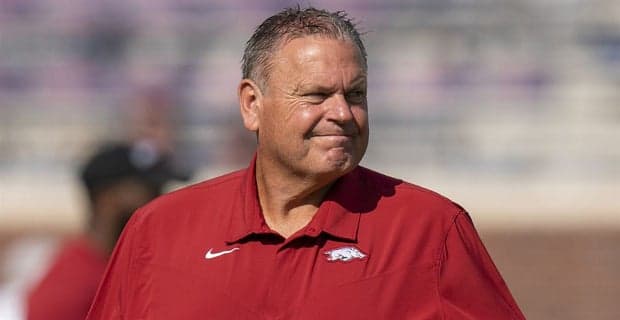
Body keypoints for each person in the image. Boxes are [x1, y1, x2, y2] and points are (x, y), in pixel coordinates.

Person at [87, 7, 525, 319]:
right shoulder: (158, 231)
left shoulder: (429, 230)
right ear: (251, 105)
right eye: (316, 96)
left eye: (355, 95)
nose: (341, 113)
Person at [26, 141, 188, 320]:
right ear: (107, 198)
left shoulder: (127, 267)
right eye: (152, 192)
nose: (161, 202)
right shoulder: (72, 284)